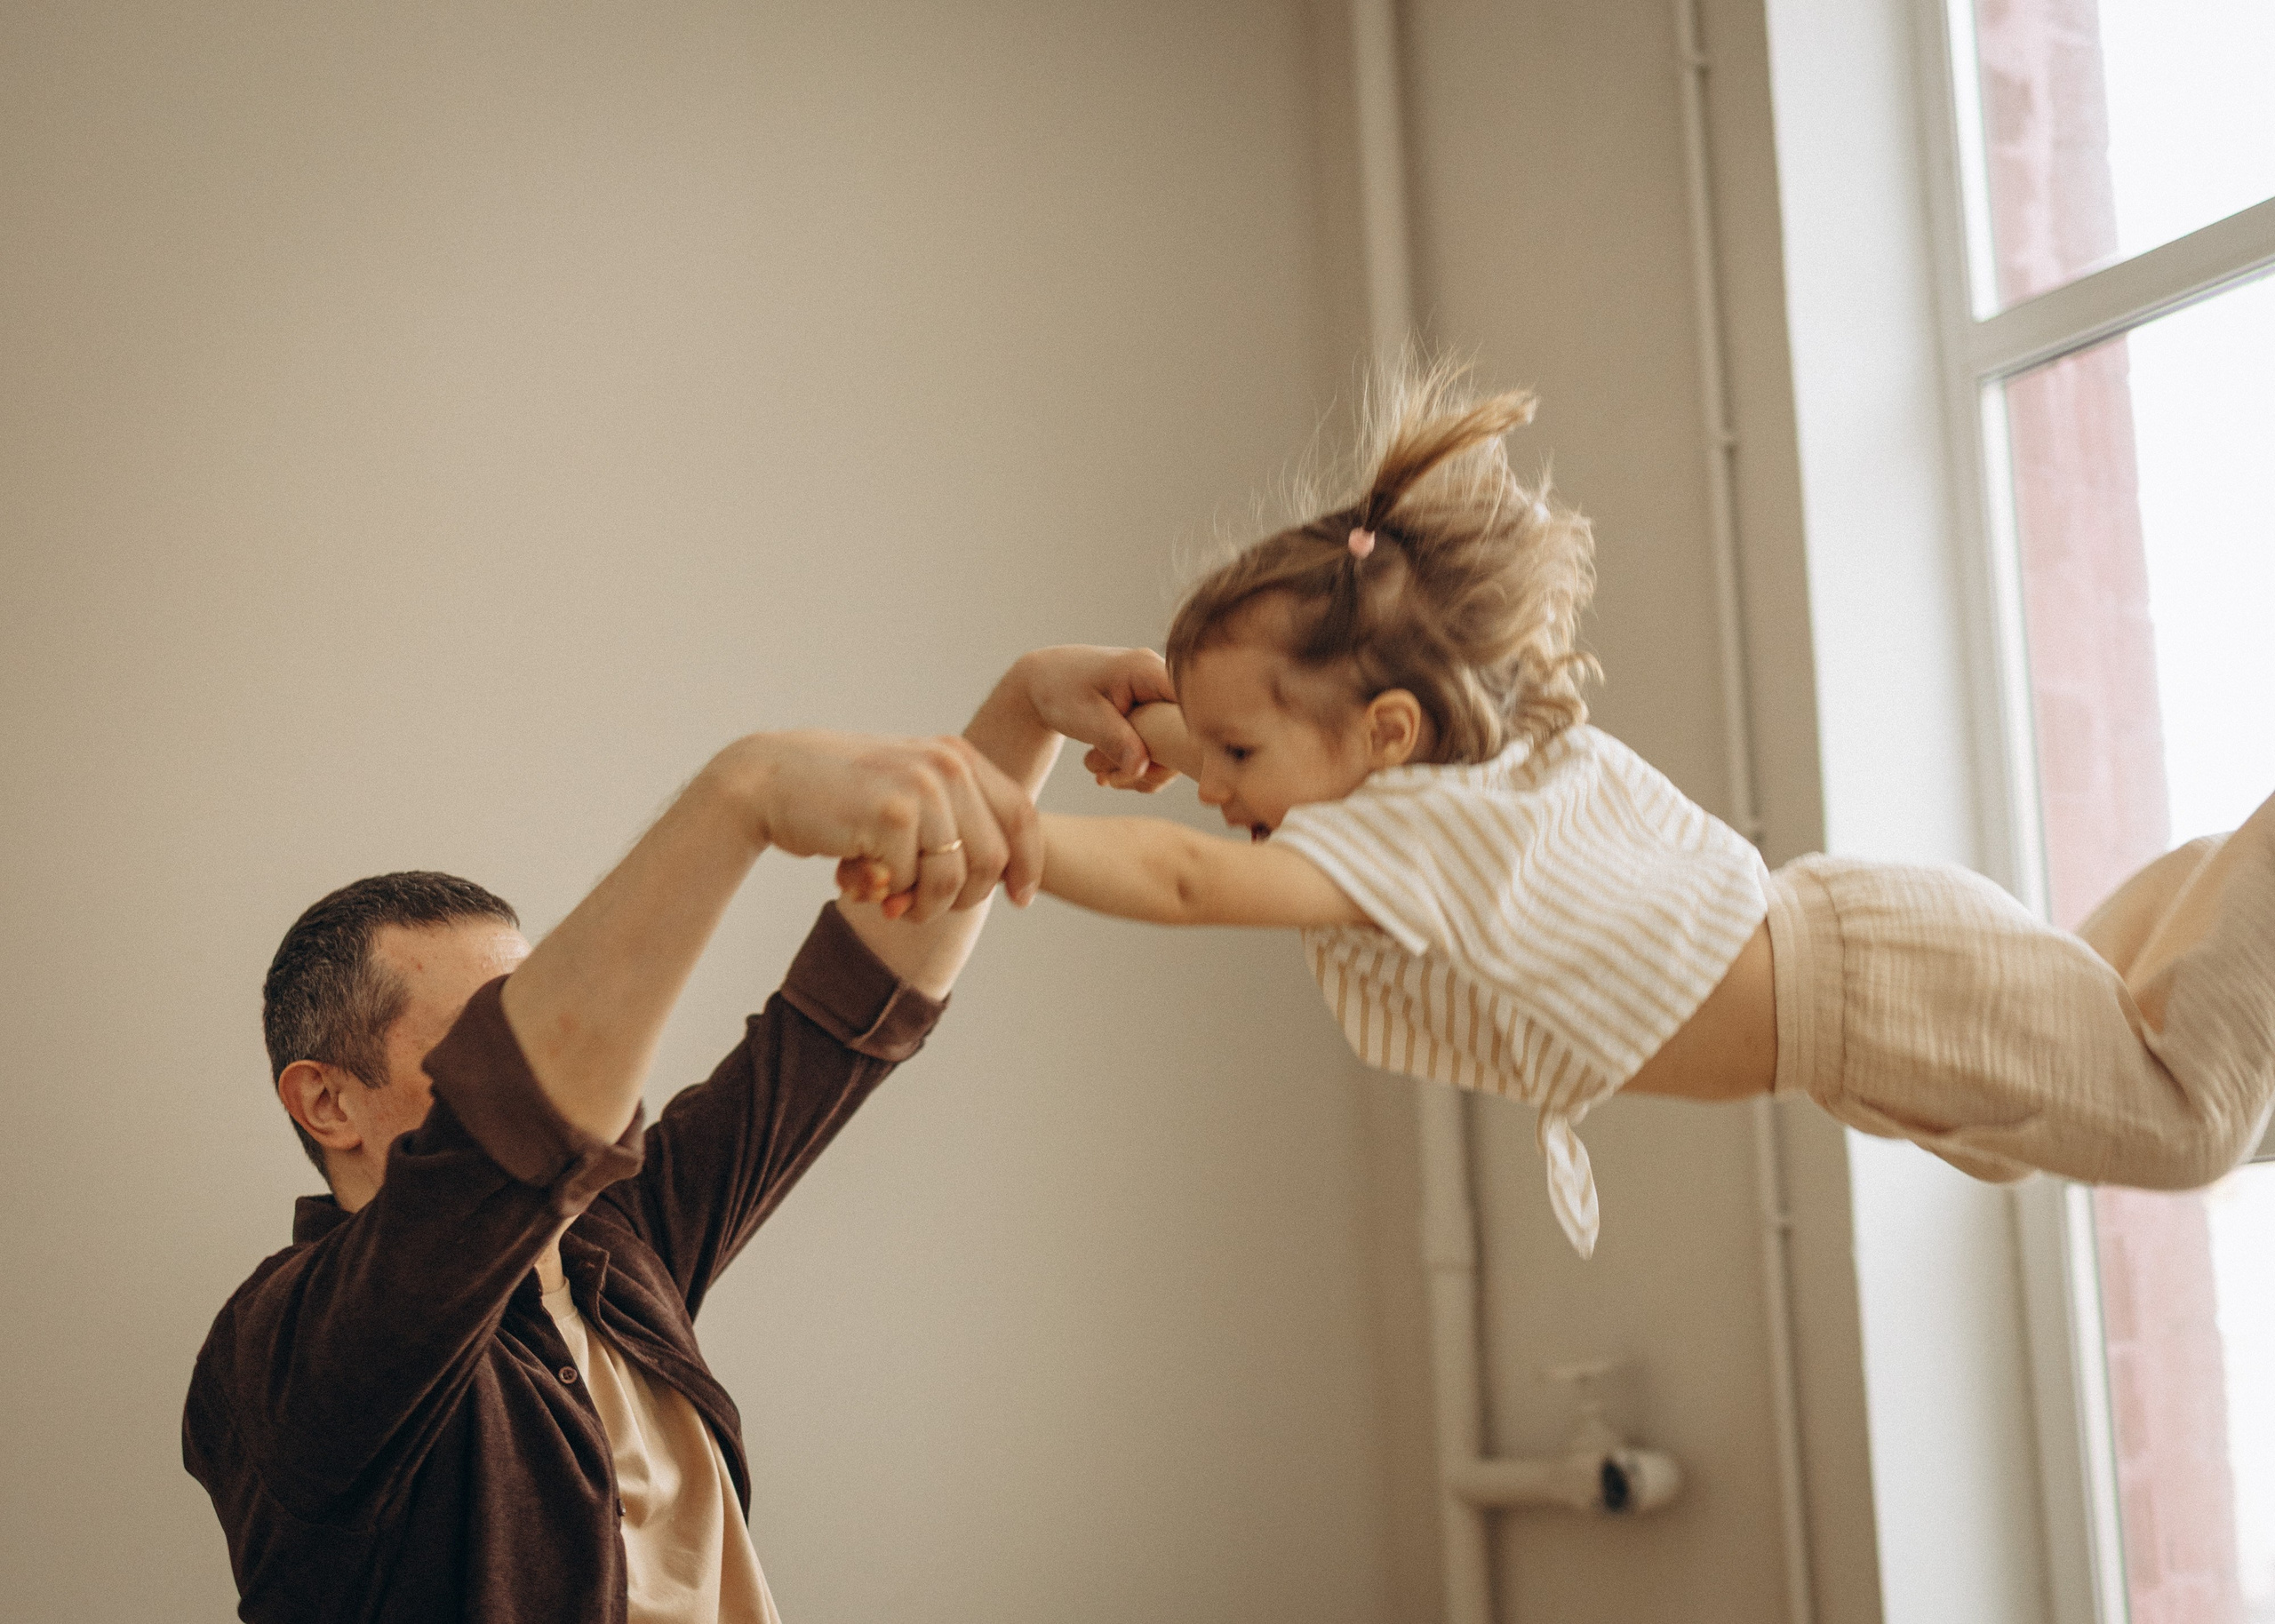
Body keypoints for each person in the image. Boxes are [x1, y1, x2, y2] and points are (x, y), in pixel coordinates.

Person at [862, 365, 2275, 1258]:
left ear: (1381, 734)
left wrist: (1026, 836)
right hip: (1872, 988)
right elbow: (1250, 765)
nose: (1203, 780)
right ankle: (2221, 892)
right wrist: (1061, 695)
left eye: (1228, 754)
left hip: (1872, 995)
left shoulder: (1387, 839)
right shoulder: (1433, 765)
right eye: (1204, 750)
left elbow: (1185, 883)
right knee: (2156, 1063)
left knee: (2192, 1121)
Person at [183, 644, 1173, 1624]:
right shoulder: (278, 1350)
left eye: (534, 1012)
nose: (561, 1056)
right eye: (490, 1036)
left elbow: (848, 1020)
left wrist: (1024, 711)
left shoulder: (617, 1243)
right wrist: (741, 794)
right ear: (326, 1102)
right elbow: (510, 1136)